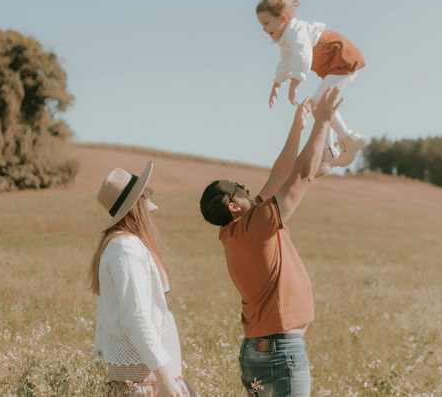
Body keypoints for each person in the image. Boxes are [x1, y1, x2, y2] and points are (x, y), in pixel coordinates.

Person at [200, 86, 344, 397]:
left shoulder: (235, 230)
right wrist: (322, 122)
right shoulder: (257, 223)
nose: (246, 186)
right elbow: (301, 177)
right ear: (234, 206)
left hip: (260, 351)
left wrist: (297, 125)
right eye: (240, 188)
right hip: (280, 354)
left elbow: (279, 174)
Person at [89, 161, 197, 397]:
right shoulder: (125, 248)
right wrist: (165, 379)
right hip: (145, 384)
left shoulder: (126, 245)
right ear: (136, 202)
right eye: (145, 191)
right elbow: (135, 318)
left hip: (150, 378)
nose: (152, 192)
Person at [256, 0, 367, 176]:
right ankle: (328, 153)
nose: (264, 29)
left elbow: (303, 55)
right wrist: (278, 83)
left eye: (266, 23)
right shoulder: (286, 38)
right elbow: (286, 61)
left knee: (319, 104)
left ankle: (349, 138)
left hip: (343, 60)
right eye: (262, 25)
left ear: (283, 18)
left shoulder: (295, 31)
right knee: (322, 106)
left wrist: (294, 84)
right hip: (333, 67)